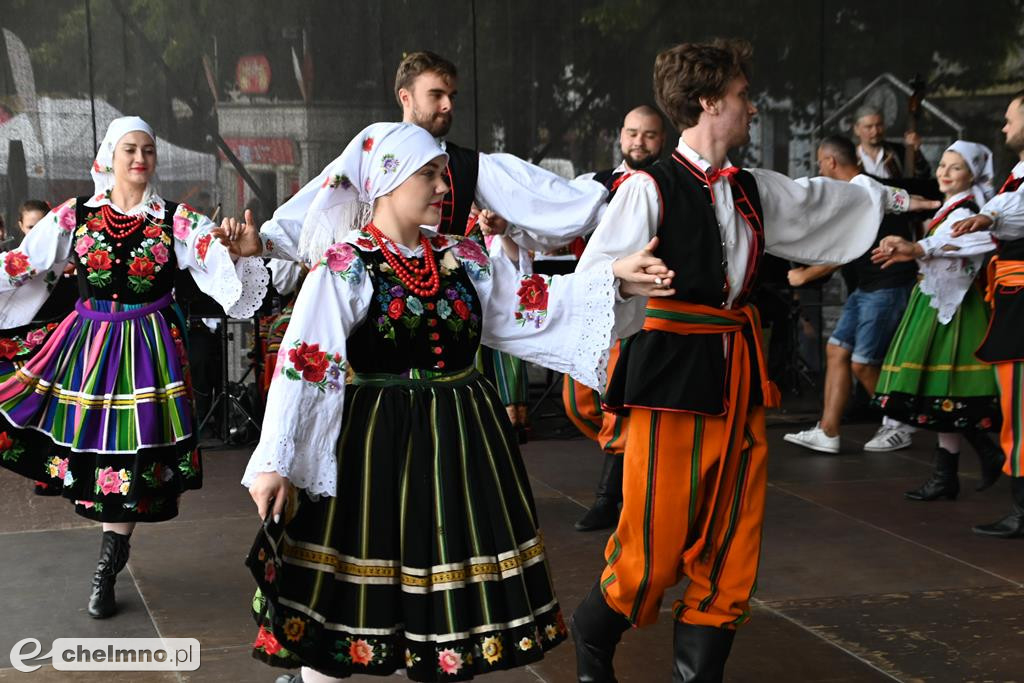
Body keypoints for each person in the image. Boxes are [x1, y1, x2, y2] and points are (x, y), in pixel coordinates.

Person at [235, 122, 674, 683]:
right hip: (375, 445)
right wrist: (278, 461)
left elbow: (528, 303)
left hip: (460, 445)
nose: (445, 188)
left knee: (439, 580)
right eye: (431, 175)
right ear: (389, 179)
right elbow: (305, 364)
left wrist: (613, 278)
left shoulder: (463, 257)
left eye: (443, 175)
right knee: (350, 590)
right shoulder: (346, 265)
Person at [568, 39, 938, 682]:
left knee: (734, 541)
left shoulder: (750, 188)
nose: (752, 105)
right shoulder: (645, 189)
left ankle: (699, 674)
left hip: (736, 369)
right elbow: (590, 278)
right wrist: (621, 274)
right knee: (654, 549)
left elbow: (827, 201)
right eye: (742, 95)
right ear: (709, 101)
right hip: (670, 375)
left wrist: (910, 203)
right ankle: (593, 631)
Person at [0, 117, 268, 618]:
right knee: (97, 448)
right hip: (88, 344)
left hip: (149, 349)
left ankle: (106, 564)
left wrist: (244, 253)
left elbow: (216, 259)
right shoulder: (74, 215)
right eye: (130, 149)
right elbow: (22, 264)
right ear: (109, 157)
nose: (140, 158)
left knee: (130, 452)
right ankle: (110, 558)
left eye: (148, 149)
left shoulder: (177, 219)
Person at [870, 141, 1004, 501]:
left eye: (955, 167)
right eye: (943, 165)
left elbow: (969, 242)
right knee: (942, 392)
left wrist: (917, 248)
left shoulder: (969, 209)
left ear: (972, 174)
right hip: (937, 301)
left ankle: (971, 461)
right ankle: (950, 472)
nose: (944, 173)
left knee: (946, 389)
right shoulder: (952, 206)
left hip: (957, 308)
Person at [784, 135, 930, 454]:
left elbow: (848, 249)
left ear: (831, 162)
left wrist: (806, 274)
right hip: (867, 288)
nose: (820, 168)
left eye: (821, 162)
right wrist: (932, 203)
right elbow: (910, 200)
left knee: (863, 363)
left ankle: (899, 424)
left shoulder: (862, 193)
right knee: (837, 351)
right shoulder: (863, 188)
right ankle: (828, 431)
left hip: (888, 287)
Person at [564, 105, 665, 533]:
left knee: (619, 407)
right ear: (620, 136)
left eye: (650, 135)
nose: (639, 142)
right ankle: (627, 465)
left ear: (664, 140)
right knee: (576, 402)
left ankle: (612, 495)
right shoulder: (592, 187)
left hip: (643, 312)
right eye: (632, 133)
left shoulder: (668, 188)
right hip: (592, 303)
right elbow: (552, 224)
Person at [950, 90, 1024, 538]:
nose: (1003, 127)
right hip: (1012, 296)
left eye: (1009, 118)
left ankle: (1022, 510)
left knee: (1019, 402)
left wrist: (989, 218)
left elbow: (1011, 213)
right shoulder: (1016, 175)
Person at [853, 104, 931, 180]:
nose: (875, 131)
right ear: (856, 130)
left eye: (879, 125)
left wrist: (916, 152)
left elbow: (924, 176)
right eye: (869, 127)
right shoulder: (851, 156)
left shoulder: (899, 150)